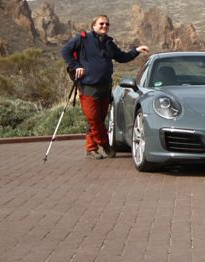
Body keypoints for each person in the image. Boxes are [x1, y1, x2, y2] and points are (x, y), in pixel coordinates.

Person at [61, 15, 149, 160]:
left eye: (107, 24)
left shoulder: (109, 43)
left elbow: (122, 57)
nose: (104, 26)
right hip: (88, 86)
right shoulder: (82, 39)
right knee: (94, 118)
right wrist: (76, 66)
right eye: (101, 23)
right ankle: (106, 146)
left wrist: (136, 50)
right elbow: (65, 51)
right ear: (93, 25)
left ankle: (91, 149)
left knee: (99, 120)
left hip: (105, 87)